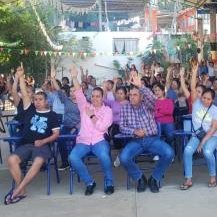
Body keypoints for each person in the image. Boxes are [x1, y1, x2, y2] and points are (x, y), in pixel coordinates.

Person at [5, 64, 60, 204]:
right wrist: (21, 76)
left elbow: (56, 135)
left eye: (40, 99)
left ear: (46, 101)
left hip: (42, 146)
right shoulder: (30, 110)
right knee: (11, 160)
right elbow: (23, 93)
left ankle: (17, 191)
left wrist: (43, 141)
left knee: (37, 162)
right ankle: (21, 190)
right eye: (35, 99)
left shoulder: (52, 115)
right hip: (26, 144)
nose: (37, 102)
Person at [119, 71, 174, 193]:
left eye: (135, 95)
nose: (132, 97)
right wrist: (134, 131)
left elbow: (154, 99)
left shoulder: (148, 105)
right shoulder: (125, 108)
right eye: (131, 95)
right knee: (123, 158)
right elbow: (122, 127)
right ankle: (140, 178)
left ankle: (154, 178)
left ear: (141, 97)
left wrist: (141, 87)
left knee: (169, 153)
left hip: (152, 139)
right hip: (135, 141)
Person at [68, 66, 114, 195]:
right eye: (93, 96)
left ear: (102, 97)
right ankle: (89, 182)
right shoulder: (85, 106)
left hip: (100, 140)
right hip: (84, 141)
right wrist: (74, 77)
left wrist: (92, 116)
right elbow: (78, 92)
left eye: (98, 96)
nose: (94, 99)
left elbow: (101, 127)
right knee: (73, 157)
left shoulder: (107, 111)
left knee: (105, 157)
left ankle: (109, 182)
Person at [180, 64, 217, 190]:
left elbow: (213, 129)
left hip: (211, 137)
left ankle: (213, 176)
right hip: (197, 135)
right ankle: (188, 179)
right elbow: (192, 88)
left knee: (208, 152)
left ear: (212, 100)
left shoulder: (215, 110)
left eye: (209, 99)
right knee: (187, 151)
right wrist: (193, 73)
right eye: (204, 97)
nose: (205, 100)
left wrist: (202, 143)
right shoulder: (196, 103)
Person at [51, 67, 80, 171]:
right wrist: (53, 78)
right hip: (67, 126)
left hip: (78, 127)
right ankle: (65, 162)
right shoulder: (66, 100)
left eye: (74, 90)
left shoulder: (83, 102)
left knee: (76, 140)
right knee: (60, 139)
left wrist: (75, 127)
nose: (72, 93)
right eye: (71, 91)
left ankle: (75, 162)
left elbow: (84, 118)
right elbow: (59, 90)